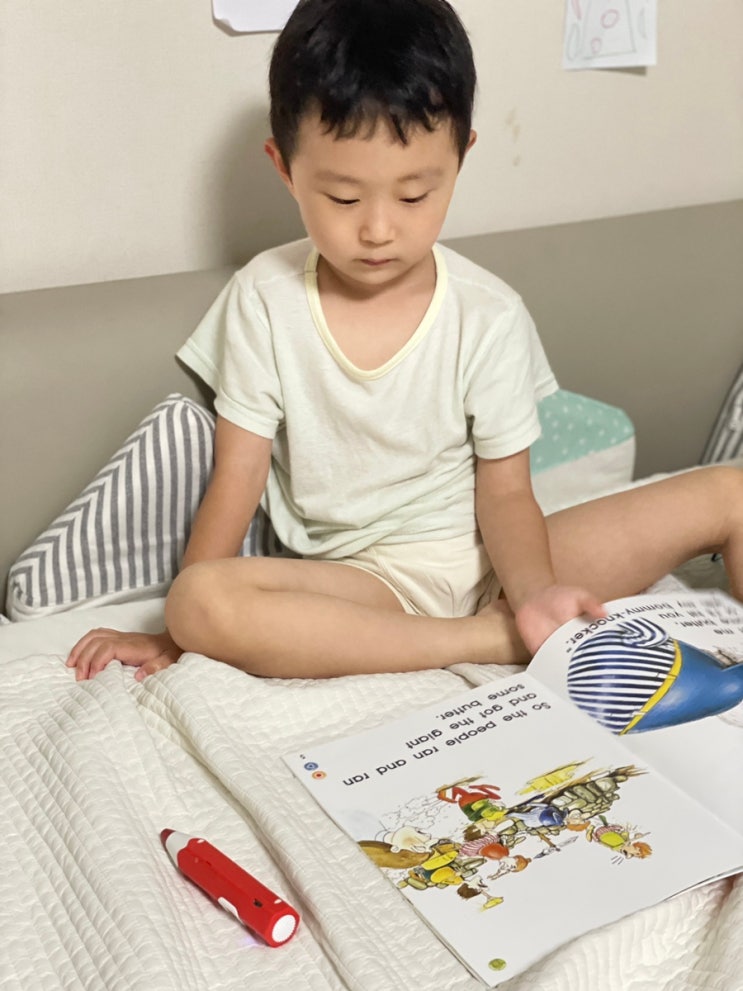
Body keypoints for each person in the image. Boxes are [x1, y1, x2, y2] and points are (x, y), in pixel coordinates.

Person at [67, 0, 743, 682]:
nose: (378, 230)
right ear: (284, 167)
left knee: (731, 490)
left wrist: (535, 594)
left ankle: (513, 623)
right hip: (367, 586)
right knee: (198, 600)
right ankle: (490, 641)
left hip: (498, 557)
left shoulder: (488, 313)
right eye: (343, 198)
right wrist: (176, 635)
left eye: (415, 195)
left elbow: (507, 495)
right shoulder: (263, 299)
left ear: (461, 156)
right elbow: (237, 477)